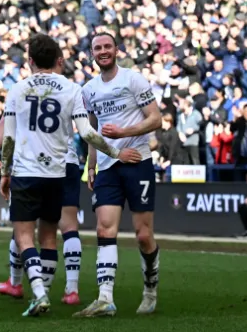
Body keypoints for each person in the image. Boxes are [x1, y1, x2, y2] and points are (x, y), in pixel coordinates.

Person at [0, 33, 140, 317]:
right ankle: (50, 292)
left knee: (25, 235)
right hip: (58, 172)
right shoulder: (72, 88)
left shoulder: (17, 89)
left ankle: (38, 291)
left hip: (27, 171)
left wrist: (5, 171)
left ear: (30, 61)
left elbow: (9, 138)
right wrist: (115, 153)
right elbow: (87, 133)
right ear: (57, 59)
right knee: (50, 235)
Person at [75, 32, 163, 319]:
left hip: (137, 162)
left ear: (116, 50)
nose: (103, 51)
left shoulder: (133, 79)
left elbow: (156, 119)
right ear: (92, 54)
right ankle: (105, 298)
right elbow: (91, 131)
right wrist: (90, 165)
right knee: (104, 229)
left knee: (143, 235)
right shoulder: (88, 89)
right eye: (97, 47)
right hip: (107, 167)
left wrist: (123, 133)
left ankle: (150, 288)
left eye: (107, 46)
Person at [0, 107, 85, 305]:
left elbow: (5, 123)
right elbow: (86, 129)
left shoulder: (24, 89)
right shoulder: (69, 89)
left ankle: (18, 284)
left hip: (32, 164)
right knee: (68, 229)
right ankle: (72, 290)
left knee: (23, 228)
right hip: (67, 161)